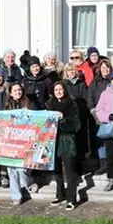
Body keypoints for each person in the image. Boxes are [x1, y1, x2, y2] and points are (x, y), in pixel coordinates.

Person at [46, 81, 81, 210]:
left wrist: (62, 120)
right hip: (52, 141)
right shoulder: (49, 104)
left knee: (69, 170)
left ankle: (71, 198)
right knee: (56, 170)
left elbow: (76, 124)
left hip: (67, 141)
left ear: (64, 90)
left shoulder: (72, 103)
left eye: (60, 89)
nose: (58, 92)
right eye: (56, 90)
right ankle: (60, 194)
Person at [4, 82, 36, 205]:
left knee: (22, 168)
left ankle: (29, 183)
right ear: (11, 93)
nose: (18, 92)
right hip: (11, 141)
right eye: (15, 91)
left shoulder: (28, 103)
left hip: (25, 141)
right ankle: (16, 195)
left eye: (19, 90)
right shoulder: (7, 106)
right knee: (11, 169)